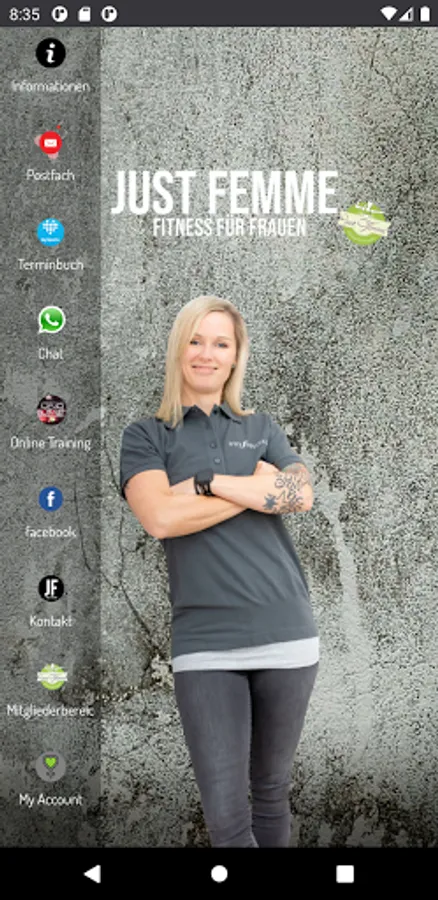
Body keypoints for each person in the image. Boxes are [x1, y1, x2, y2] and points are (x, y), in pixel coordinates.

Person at [119, 294, 319, 848]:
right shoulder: (146, 435)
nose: (206, 354)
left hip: (287, 630)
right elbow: (160, 518)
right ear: (178, 349)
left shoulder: (262, 427)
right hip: (205, 642)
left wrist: (206, 484)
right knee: (228, 821)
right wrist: (256, 489)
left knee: (272, 795)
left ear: (235, 357)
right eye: (196, 340)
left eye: (221, 343)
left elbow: (300, 495)